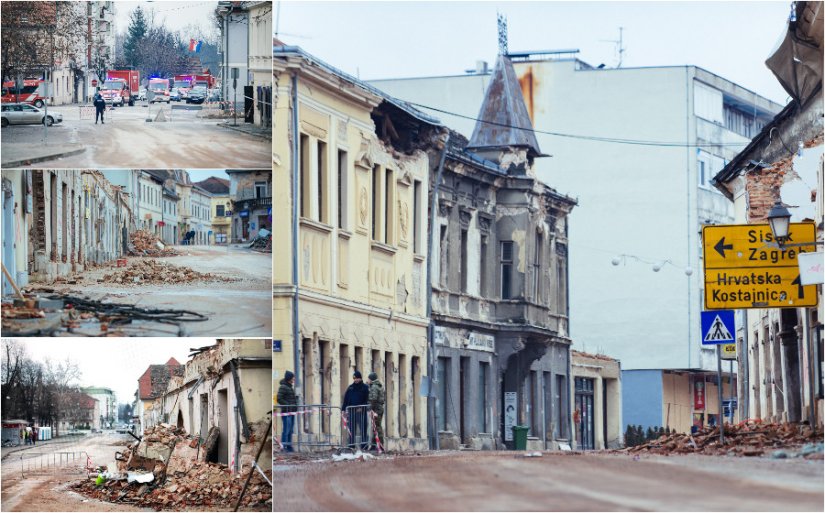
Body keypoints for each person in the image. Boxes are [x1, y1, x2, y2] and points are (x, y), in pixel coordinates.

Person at [342, 370, 370, 450]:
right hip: (351, 411)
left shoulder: (365, 387)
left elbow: (367, 399)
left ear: (360, 378)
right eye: (354, 378)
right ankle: (351, 445)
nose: (355, 380)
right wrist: (343, 409)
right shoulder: (351, 387)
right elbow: (346, 399)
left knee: (363, 428)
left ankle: (364, 445)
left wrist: (362, 407)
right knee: (351, 429)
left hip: (361, 412)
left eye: (357, 378)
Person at [277, 370, 298, 453]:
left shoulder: (289, 386)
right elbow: (279, 398)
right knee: (286, 430)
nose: (294, 379)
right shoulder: (283, 387)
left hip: (291, 412)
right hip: (286, 412)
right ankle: (284, 446)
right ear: (289, 378)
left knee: (290, 430)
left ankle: (289, 446)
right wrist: (288, 405)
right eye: (293, 377)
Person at [367, 372, 385, 451]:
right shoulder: (378, 386)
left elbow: (373, 398)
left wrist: (369, 408)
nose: (367, 380)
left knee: (377, 427)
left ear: (371, 379)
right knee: (376, 426)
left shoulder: (374, 387)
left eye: (368, 378)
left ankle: (379, 445)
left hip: (376, 409)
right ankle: (376, 444)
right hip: (379, 408)